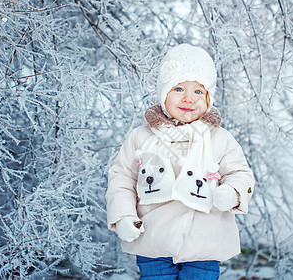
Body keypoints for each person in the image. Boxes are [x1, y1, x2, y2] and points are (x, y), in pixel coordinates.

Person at [106, 43, 255, 279]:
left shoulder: (219, 138)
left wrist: (233, 191)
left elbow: (240, 173)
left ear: (208, 97)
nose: (188, 98)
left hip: (205, 242)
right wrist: (123, 215)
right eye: (178, 89)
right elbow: (121, 179)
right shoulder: (142, 137)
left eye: (198, 91)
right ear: (164, 92)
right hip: (152, 241)